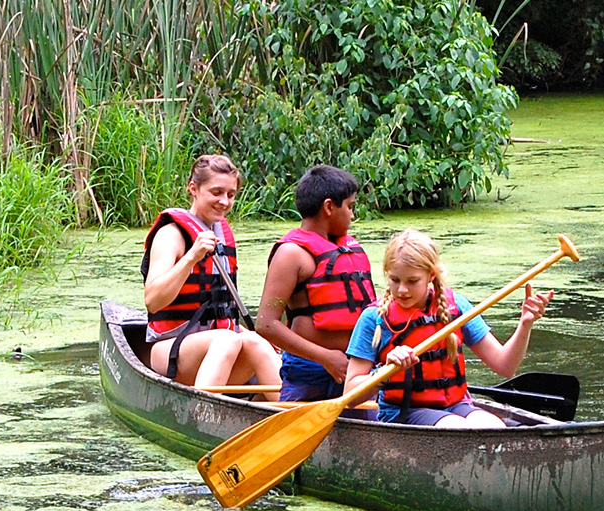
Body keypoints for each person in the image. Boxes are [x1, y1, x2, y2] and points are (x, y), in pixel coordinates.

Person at [344, 228, 554, 428]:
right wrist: (384, 373)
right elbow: (350, 395)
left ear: (431, 276)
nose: (402, 290)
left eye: (412, 281)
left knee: (493, 426)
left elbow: (505, 366)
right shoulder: (375, 319)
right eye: (395, 280)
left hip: (456, 405)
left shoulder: (457, 307)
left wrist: (525, 324)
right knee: (458, 428)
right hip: (404, 411)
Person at [141, 154, 281, 398]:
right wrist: (191, 257)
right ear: (193, 188)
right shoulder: (171, 234)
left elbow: (221, 313)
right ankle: (202, 417)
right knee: (227, 340)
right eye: (216, 192)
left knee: (258, 343)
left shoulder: (221, 234)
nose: (224, 201)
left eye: (231, 194)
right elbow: (153, 300)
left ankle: (295, 418)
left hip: (220, 350)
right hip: (171, 350)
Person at [256, 165, 376, 401]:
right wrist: (326, 358)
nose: (352, 215)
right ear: (329, 207)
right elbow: (266, 324)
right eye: (350, 207)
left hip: (356, 368)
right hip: (309, 371)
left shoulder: (346, 248)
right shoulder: (292, 254)